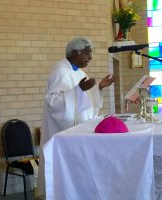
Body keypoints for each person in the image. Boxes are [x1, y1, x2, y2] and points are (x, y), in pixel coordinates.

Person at [37, 37, 115, 199]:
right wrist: (77, 90)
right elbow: (52, 102)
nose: (90, 57)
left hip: (79, 133)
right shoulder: (60, 72)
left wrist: (99, 87)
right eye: (87, 53)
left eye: (90, 53)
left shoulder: (79, 72)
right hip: (63, 134)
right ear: (74, 53)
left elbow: (86, 99)